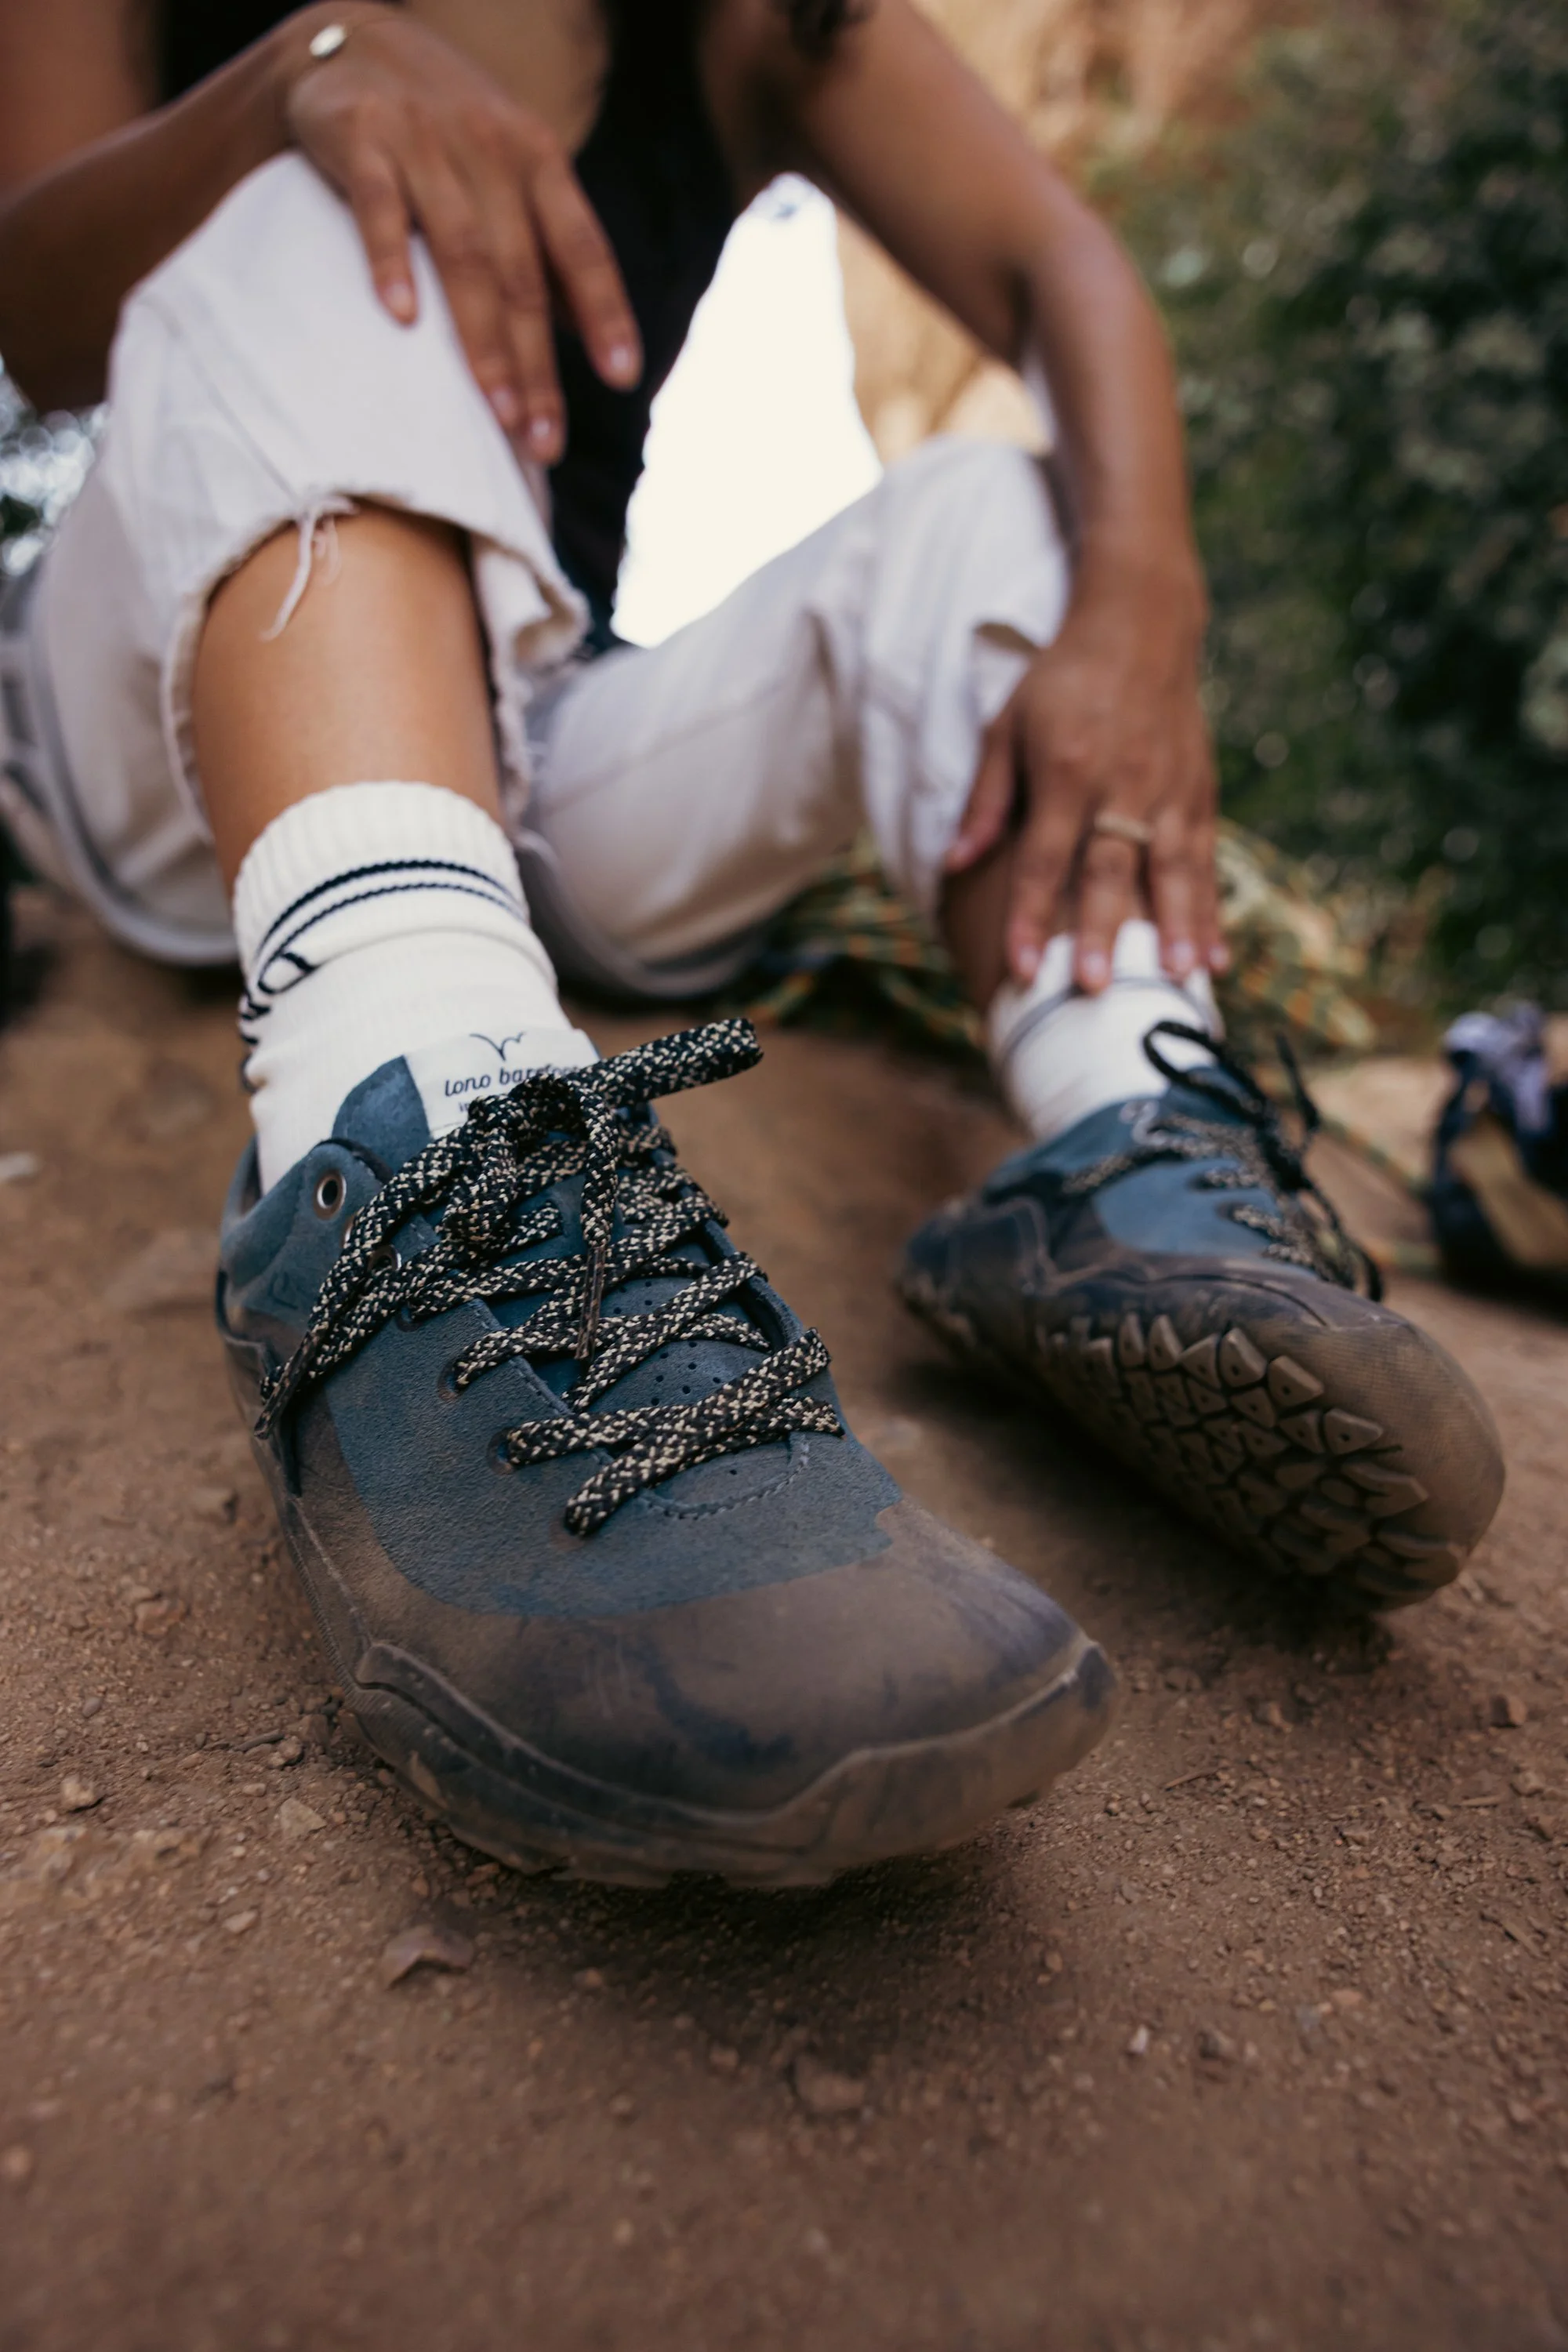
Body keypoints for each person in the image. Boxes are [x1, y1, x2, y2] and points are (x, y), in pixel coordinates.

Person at [0, 0, 1501, 1885]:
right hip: (179, 719)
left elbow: (1058, 258)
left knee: (983, 504)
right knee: (326, 195)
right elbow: (37, 311)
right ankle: (411, 1091)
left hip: (531, 738)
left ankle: (1121, 1133)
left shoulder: (737, 20)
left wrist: (1142, 596)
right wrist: (295, 78)